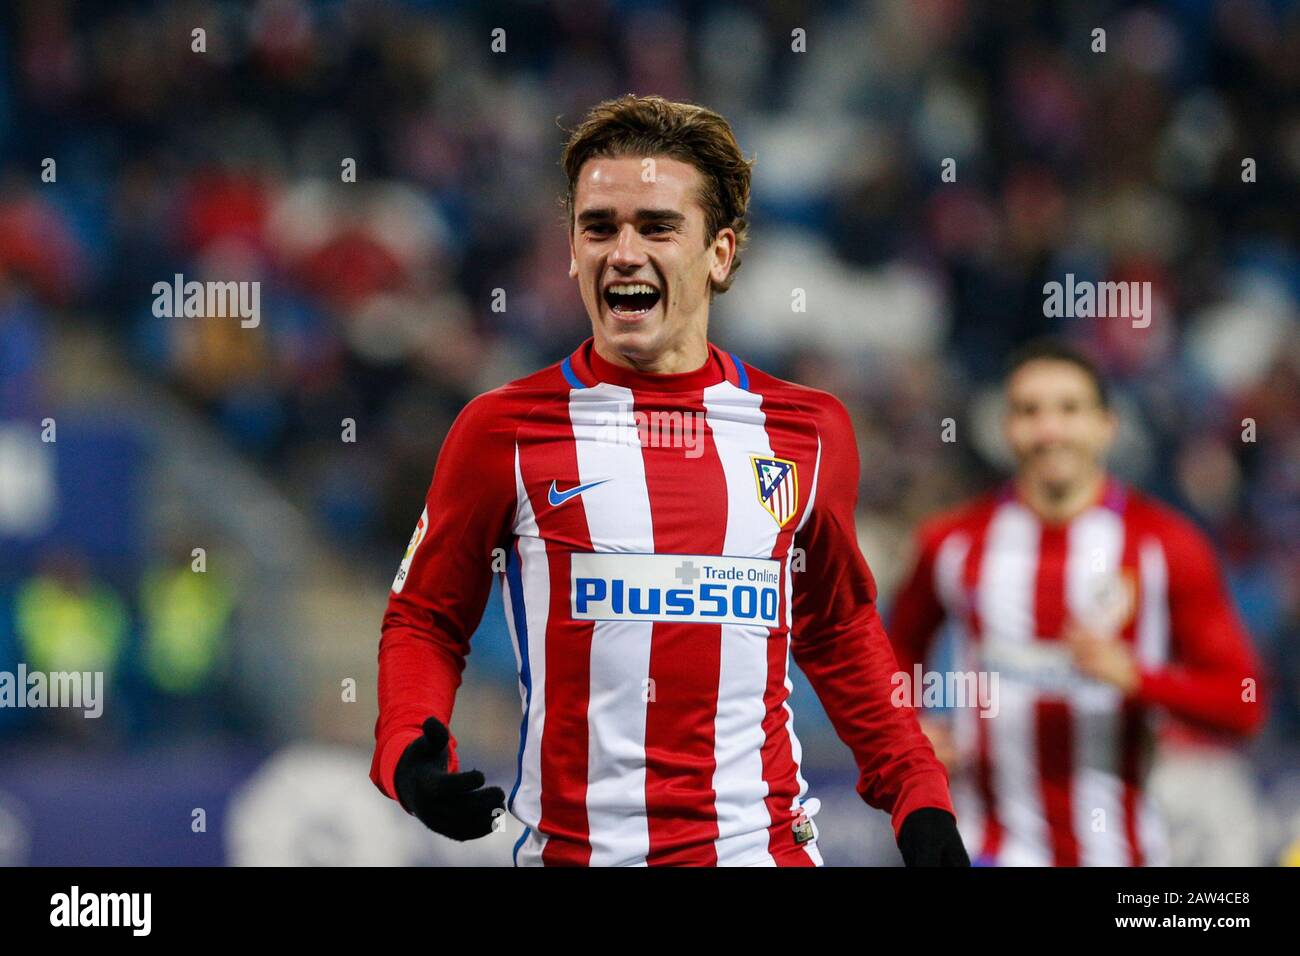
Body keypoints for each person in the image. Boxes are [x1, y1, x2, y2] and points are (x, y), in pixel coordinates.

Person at [370, 94, 965, 867]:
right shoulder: (500, 430)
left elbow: (841, 630)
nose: (622, 251)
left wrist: (919, 796)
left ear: (720, 253)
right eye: (598, 227)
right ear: (573, 253)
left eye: (656, 226)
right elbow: (425, 619)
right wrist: (411, 756)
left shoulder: (807, 430)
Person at [888, 338, 1265, 866]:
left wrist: (1139, 679)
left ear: (1107, 426)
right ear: (1005, 428)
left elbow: (1244, 704)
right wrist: (907, 729)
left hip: (1121, 853)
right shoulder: (952, 542)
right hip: (988, 850)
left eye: (1069, 409)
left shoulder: (1164, 545)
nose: (1049, 430)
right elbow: (892, 651)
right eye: (1028, 411)